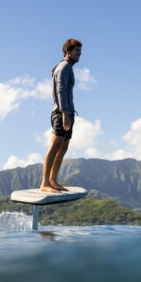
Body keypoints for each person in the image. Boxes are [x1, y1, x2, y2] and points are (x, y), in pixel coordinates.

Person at [40, 39, 82, 193]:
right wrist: (64, 113)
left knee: (63, 148)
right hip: (61, 113)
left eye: (79, 50)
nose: (80, 54)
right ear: (68, 52)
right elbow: (61, 90)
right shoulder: (64, 67)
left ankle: (53, 181)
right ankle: (45, 183)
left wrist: (69, 113)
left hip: (68, 112)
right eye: (76, 50)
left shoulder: (68, 67)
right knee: (54, 147)